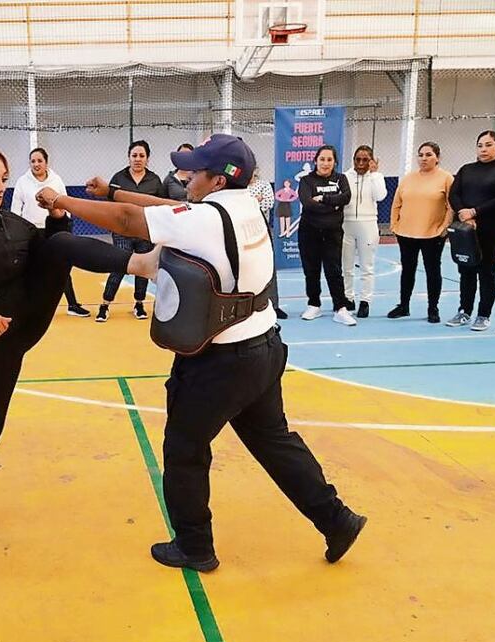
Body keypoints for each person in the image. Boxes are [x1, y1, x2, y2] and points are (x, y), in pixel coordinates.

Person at [36, 134, 366, 572]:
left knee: (185, 449)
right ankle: (336, 519)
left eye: (196, 170)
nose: (185, 176)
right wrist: (113, 190)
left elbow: (129, 220)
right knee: (275, 441)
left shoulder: (207, 219)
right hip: (263, 346)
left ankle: (194, 546)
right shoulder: (244, 204)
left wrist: (63, 201)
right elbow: (160, 210)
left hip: (221, 360)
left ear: (217, 179)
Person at [0, 142, 158, 536]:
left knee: (57, 242)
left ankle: (140, 264)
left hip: (30, 316)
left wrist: (58, 218)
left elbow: (48, 252)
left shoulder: (10, 222)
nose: (0, 187)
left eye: (4, 179)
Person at [446, 131, 495, 331]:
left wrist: (475, 211)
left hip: (490, 228)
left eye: (488, 145)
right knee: (466, 269)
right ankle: (464, 310)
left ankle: (484, 314)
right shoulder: (466, 169)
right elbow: (454, 194)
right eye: (480, 145)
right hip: (466, 228)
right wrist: (462, 213)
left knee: (486, 270)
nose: (483, 149)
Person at [9, 147, 91, 317]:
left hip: (53, 231)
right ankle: (28, 306)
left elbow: (65, 203)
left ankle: (73, 305)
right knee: (30, 269)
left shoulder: (56, 180)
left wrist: (65, 226)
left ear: (46, 162)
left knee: (61, 268)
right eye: (33, 161)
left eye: (40, 160)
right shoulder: (22, 182)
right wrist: (17, 233)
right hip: (31, 232)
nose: (36, 164)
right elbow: (15, 210)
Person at [388, 142, 454, 323]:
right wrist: (394, 225)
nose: (424, 158)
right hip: (406, 233)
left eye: (428, 155)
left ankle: (433, 308)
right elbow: (396, 203)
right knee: (407, 270)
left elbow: (451, 206)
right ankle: (403, 305)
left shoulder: (446, 178)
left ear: (437, 158)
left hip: (432, 234)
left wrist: (443, 228)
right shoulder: (408, 178)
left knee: (433, 271)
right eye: (421, 155)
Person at [97, 140, 163, 322]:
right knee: (119, 266)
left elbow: (160, 206)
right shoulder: (118, 179)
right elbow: (110, 206)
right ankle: (104, 305)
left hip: (145, 232)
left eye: (142, 156)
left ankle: (139, 304)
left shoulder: (155, 181)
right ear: (129, 157)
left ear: (147, 159)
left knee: (142, 268)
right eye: (134, 155)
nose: (137, 159)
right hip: (122, 232)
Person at [297, 145, 355, 326]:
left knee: (334, 271)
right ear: (315, 161)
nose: (325, 163)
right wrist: (333, 206)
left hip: (333, 232)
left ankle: (340, 308)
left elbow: (346, 198)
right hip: (309, 232)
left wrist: (322, 199)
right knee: (311, 270)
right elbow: (307, 203)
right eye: (322, 159)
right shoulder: (306, 181)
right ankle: (314, 304)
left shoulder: (341, 179)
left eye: (329, 160)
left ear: (335, 162)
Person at [341, 145, 387, 319]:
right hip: (346, 224)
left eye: (365, 159)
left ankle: (365, 301)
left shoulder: (377, 177)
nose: (360, 163)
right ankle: (348, 297)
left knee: (367, 266)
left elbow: (380, 196)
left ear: (372, 161)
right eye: (357, 159)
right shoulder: (345, 176)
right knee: (347, 266)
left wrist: (374, 174)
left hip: (368, 225)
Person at [248, 166, 287, 320]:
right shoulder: (239, 188)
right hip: (243, 229)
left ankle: (274, 305)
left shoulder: (264, 185)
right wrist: (254, 200)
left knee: (269, 267)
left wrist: (250, 204)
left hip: (262, 228)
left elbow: (268, 203)